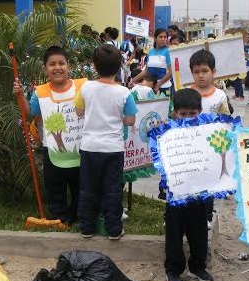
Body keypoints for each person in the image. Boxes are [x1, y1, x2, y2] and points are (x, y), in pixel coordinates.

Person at [13, 46, 86, 226]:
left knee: (81, 187)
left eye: (61, 63)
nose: (57, 67)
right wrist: (20, 95)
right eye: (52, 64)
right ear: (45, 68)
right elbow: (29, 112)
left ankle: (79, 214)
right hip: (51, 150)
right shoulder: (40, 92)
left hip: (81, 149)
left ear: (68, 66)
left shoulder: (82, 86)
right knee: (55, 188)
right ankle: (58, 217)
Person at [74, 44, 137, 239]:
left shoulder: (86, 88)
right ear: (119, 66)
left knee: (88, 188)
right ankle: (114, 230)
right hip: (113, 149)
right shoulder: (124, 93)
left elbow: (79, 111)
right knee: (112, 190)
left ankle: (86, 227)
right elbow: (130, 120)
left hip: (90, 147)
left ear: (94, 66)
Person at [164, 88, 213, 281]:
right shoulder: (167, 133)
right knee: (174, 233)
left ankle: (197, 267)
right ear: (175, 112)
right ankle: (173, 270)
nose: (187, 118)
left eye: (192, 114)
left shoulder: (207, 132)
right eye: (182, 114)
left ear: (200, 111)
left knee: (199, 231)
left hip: (200, 193)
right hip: (175, 193)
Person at [188, 49, 233, 229]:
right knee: (191, 181)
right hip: (191, 147)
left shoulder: (220, 96)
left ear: (213, 72)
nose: (201, 76)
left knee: (210, 183)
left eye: (205, 71)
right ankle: (188, 213)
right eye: (196, 72)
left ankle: (206, 216)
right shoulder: (187, 93)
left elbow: (226, 121)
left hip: (212, 149)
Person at [128, 29, 172, 96]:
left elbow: (171, 72)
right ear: (155, 38)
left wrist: (158, 84)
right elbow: (146, 71)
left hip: (164, 87)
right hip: (150, 86)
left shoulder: (168, 52)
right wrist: (133, 80)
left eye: (165, 37)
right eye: (160, 37)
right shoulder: (150, 52)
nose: (163, 39)